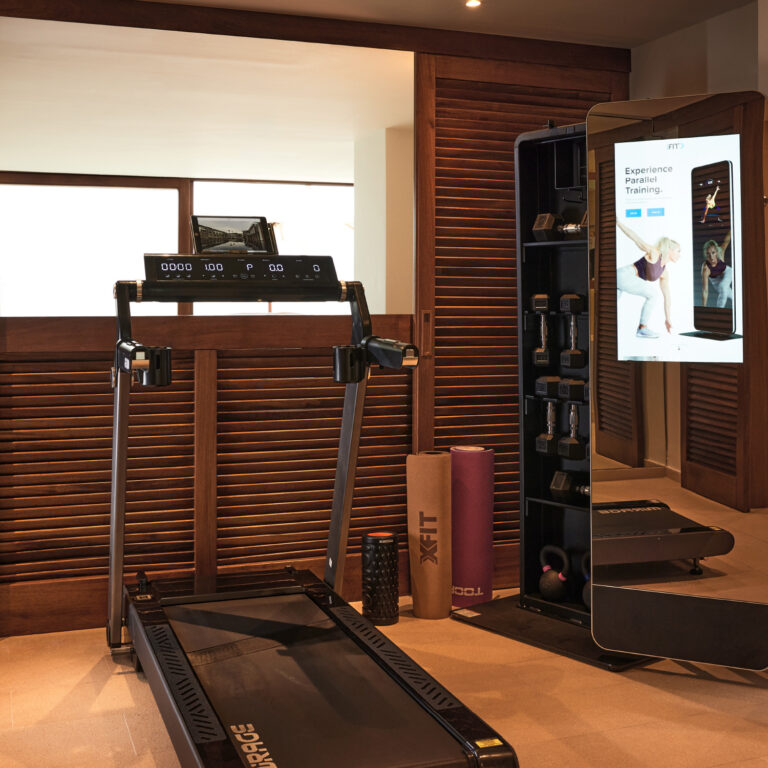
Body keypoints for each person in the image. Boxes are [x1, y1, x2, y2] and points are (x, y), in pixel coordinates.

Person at [616, 220, 681, 338]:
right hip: (624, 275)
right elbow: (635, 238)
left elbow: (667, 298)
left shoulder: (664, 273)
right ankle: (642, 328)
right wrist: (618, 222)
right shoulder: (655, 253)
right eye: (678, 251)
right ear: (670, 250)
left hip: (622, 281)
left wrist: (668, 319)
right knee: (653, 294)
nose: (679, 255)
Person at [701, 232, 732, 308]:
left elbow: (727, 240)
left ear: (717, 252)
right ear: (705, 254)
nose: (711, 257)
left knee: (723, 286)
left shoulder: (721, 252)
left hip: (727, 272)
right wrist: (703, 307)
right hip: (716, 281)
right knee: (728, 293)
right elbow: (705, 290)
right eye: (708, 254)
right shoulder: (706, 268)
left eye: (713, 253)